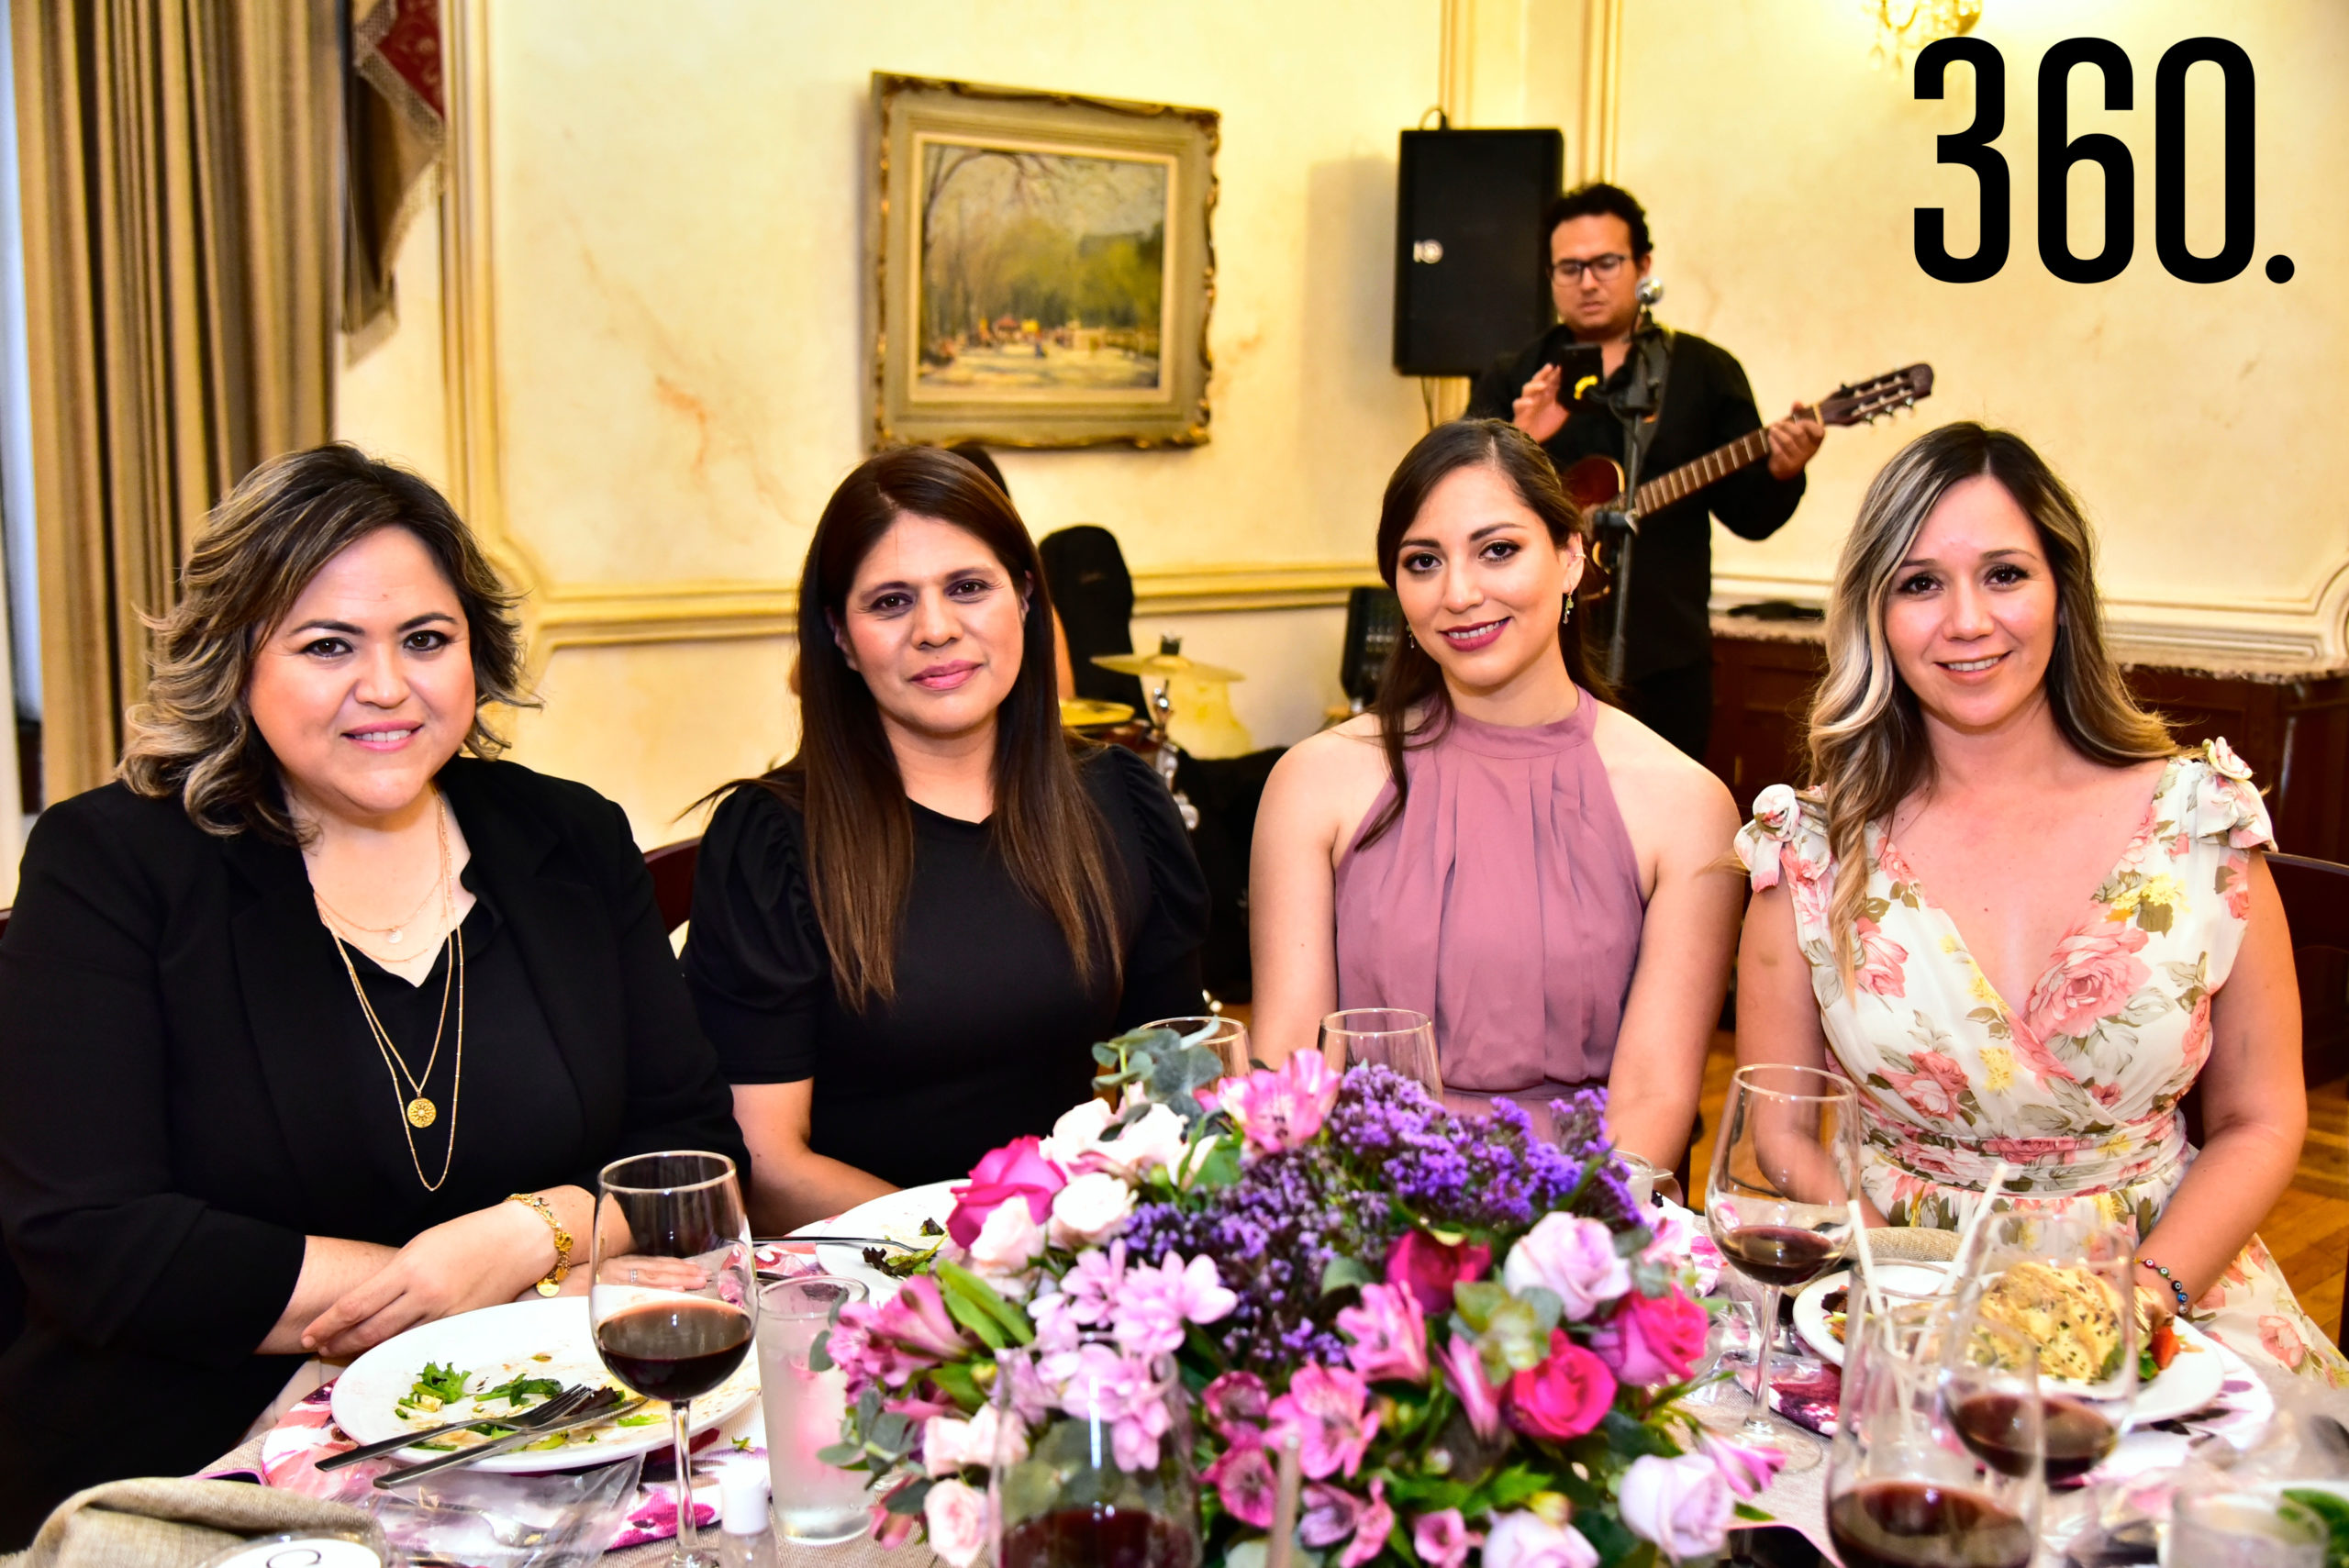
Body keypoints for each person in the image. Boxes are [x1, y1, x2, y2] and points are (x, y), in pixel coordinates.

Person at [0, 446, 750, 1541]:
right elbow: (92, 1237)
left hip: (551, 1441)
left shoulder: (566, 838)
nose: (388, 686)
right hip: (202, 1471)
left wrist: (522, 1235)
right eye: (326, 645)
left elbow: (687, 1153)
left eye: (426, 640)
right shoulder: (112, 865)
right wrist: (441, 1290)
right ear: (236, 664)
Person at [1734, 422, 2346, 1386]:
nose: (1967, 619)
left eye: (2005, 573)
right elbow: (1774, 1128)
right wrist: (1909, 1278)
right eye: (1919, 582)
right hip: (1889, 1295)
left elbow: (2262, 1119)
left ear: (2063, 594)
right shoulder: (1808, 850)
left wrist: (2143, 1292)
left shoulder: (2196, 823)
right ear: (1875, 614)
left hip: (2169, 1294)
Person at [685, 447, 1208, 1233]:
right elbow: (766, 1162)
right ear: (838, 634)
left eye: (967, 587)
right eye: (891, 601)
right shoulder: (771, 843)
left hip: (1079, 1265)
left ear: (1026, 597)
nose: (936, 629)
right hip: (866, 1277)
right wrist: (977, 1248)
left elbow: (1174, 1092)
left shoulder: (1122, 801)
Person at [1248, 419, 1742, 1168]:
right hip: (1358, 1207)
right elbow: (1289, 1071)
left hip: (1584, 1222)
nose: (1460, 593)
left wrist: (1552, 1269)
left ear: (1572, 556)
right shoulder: (1315, 782)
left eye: (1498, 549)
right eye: (1424, 561)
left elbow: (1655, 1099)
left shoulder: (1685, 805)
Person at [1466, 183, 1824, 761]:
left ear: (1643, 266)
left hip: (1666, 661)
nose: (1588, 281)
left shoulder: (1704, 372)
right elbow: (1459, 508)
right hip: (1532, 658)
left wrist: (1783, 470)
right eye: (1569, 267)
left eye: (1606, 262)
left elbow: (1751, 516)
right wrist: (1519, 437)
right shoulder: (1515, 378)